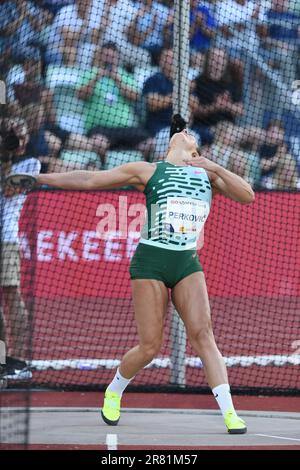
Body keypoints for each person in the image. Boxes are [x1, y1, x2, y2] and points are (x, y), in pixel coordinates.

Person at [35, 115, 255, 434]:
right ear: (173, 141)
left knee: (204, 335)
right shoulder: (149, 170)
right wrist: (41, 180)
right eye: (183, 133)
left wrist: (216, 167)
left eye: (192, 136)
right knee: (150, 347)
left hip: (186, 263)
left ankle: (230, 413)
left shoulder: (206, 176)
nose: (189, 135)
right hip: (150, 261)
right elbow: (90, 180)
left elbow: (247, 195)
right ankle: (114, 390)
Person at [0, 117, 40, 380]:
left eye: (22, 134)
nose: (19, 140)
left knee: (12, 295)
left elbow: (10, 189)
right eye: (13, 135)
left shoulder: (30, 163)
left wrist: (6, 158)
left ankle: (20, 359)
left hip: (6, 239)